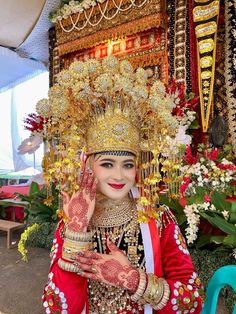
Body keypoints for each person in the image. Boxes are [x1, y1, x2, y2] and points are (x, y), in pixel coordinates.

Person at [41, 56, 204, 314]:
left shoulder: (159, 219)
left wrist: (132, 279)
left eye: (128, 164)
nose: (119, 175)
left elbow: (193, 300)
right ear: (87, 165)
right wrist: (76, 229)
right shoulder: (71, 222)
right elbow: (58, 308)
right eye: (107, 164)